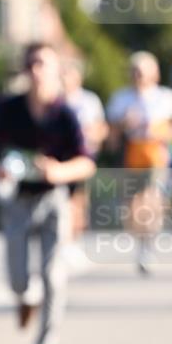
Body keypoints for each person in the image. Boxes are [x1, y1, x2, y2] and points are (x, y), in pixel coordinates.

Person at [0, 42, 95, 344]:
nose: (37, 70)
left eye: (44, 63)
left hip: (54, 199)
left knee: (53, 275)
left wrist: (59, 171)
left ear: (56, 70)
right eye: (32, 64)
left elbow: (87, 163)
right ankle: (25, 298)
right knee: (17, 278)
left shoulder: (65, 114)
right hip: (17, 199)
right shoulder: (9, 107)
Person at [106, 52, 172, 275]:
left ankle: (149, 246)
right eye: (135, 70)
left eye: (143, 70)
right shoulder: (121, 99)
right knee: (132, 207)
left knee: (151, 201)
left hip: (156, 155)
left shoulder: (165, 97)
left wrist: (156, 130)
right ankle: (142, 244)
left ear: (154, 73)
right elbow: (110, 133)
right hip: (131, 155)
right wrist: (124, 123)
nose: (138, 75)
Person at [61, 57, 108, 266]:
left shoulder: (89, 100)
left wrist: (91, 136)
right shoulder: (56, 100)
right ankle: (62, 242)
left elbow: (101, 127)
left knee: (78, 201)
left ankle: (73, 242)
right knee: (63, 201)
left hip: (83, 157)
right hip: (61, 157)